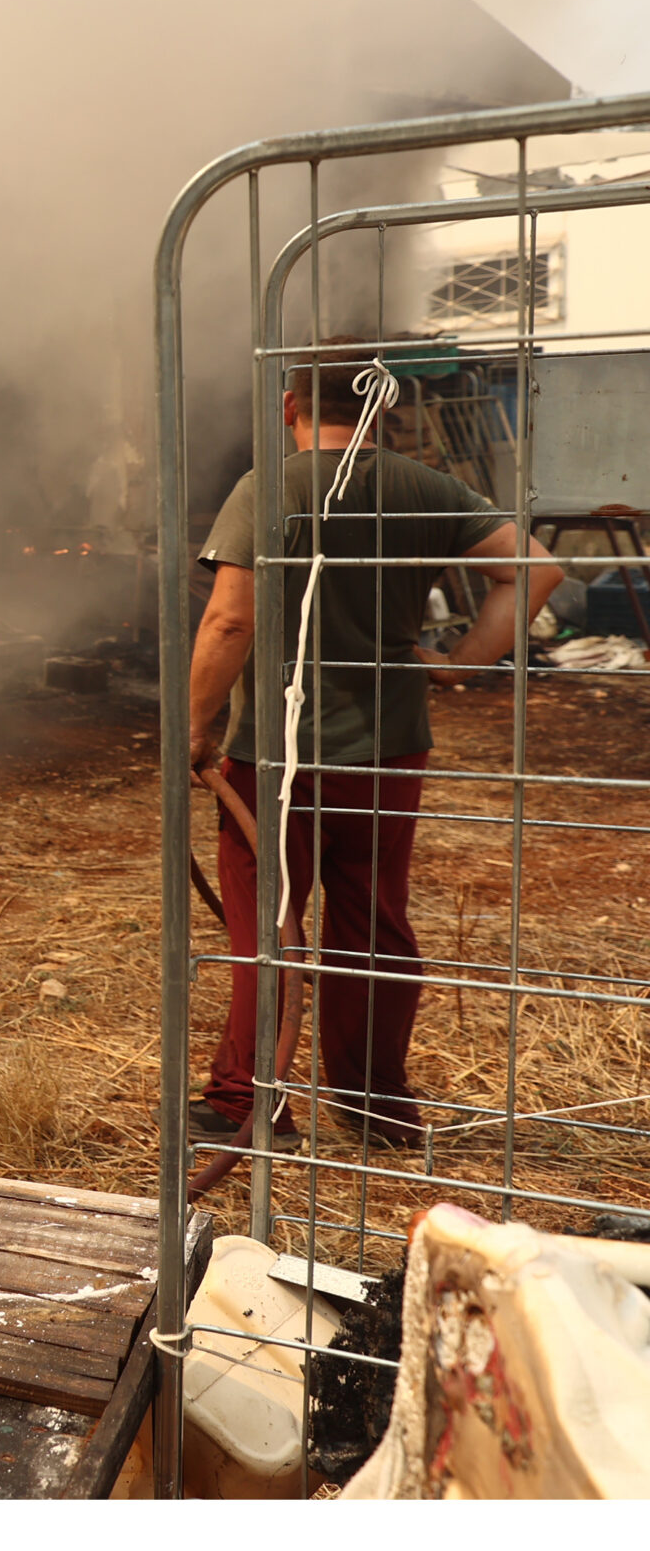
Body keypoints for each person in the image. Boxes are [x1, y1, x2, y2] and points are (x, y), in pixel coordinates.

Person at [187, 347, 560, 1145]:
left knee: (271, 929)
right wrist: (464, 663)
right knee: (374, 926)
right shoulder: (422, 487)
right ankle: (376, 1108)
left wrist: (193, 726)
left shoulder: (269, 489)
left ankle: (243, 1105)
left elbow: (228, 620)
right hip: (387, 752)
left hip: (276, 758)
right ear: (381, 414)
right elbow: (538, 570)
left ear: (290, 406)